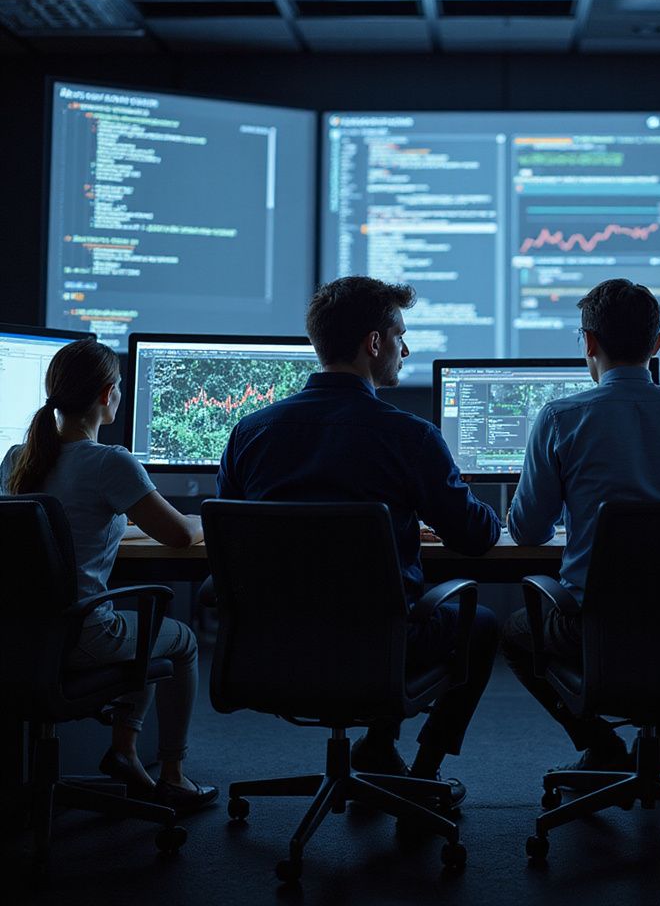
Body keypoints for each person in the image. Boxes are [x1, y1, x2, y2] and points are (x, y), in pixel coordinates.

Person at [217, 276, 501, 805]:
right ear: (375, 343)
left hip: (274, 649)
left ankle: (376, 749)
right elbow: (477, 536)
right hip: (379, 648)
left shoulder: (249, 433)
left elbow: (234, 541)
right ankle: (419, 771)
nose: (405, 348)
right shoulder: (408, 435)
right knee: (478, 623)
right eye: (401, 335)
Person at [500, 278, 660, 772]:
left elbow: (528, 533)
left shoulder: (561, 419)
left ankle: (602, 746)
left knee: (517, 633)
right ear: (657, 345)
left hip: (594, 630)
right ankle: (658, 740)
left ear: (589, 342)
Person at [0, 339, 216, 811]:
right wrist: (210, 520)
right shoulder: (110, 462)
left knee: (140, 627)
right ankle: (170, 772)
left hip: (18, 638)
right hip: (83, 635)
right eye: (118, 387)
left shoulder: (17, 458)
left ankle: (125, 752)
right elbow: (179, 536)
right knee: (178, 638)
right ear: (106, 395)